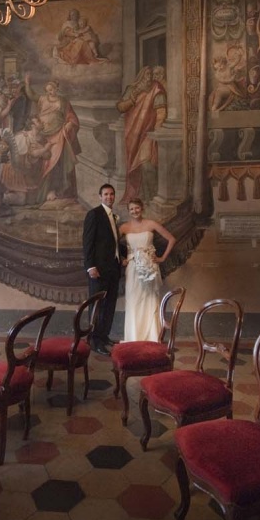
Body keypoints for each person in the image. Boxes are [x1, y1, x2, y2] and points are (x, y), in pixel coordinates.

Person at [119, 198, 175, 342]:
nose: (134, 211)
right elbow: (110, 245)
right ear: (129, 211)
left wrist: (162, 258)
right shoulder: (124, 228)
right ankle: (133, 337)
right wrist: (121, 258)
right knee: (133, 300)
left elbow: (171, 239)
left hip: (150, 268)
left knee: (149, 299)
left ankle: (151, 337)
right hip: (132, 268)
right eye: (131, 209)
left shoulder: (151, 224)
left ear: (142, 208)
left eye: (137, 208)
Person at [82, 183, 124, 355]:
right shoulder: (94, 214)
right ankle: (94, 340)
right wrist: (90, 266)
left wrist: (122, 257)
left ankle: (104, 335)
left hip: (113, 268)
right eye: (106, 194)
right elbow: (88, 242)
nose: (109, 197)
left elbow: (114, 242)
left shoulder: (113, 217)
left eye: (112, 194)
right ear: (100, 196)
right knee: (97, 306)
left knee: (110, 304)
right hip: (98, 270)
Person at [117, 66, 167, 203]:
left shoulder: (157, 89)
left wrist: (156, 132)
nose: (149, 78)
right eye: (146, 75)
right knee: (136, 165)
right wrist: (132, 98)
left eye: (151, 75)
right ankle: (140, 195)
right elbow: (120, 107)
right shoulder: (132, 89)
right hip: (132, 134)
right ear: (140, 77)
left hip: (149, 134)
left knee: (147, 164)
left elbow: (161, 113)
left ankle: (150, 197)